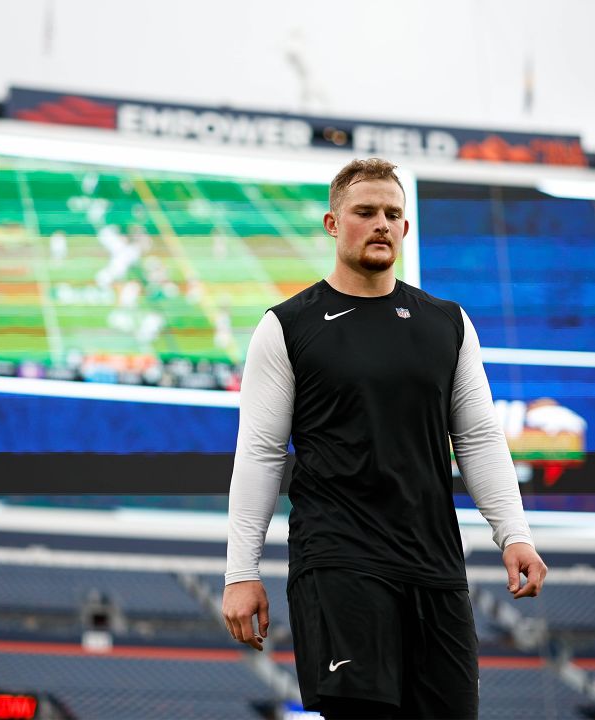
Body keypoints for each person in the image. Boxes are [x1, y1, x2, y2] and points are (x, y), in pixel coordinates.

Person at [222, 158, 547, 719]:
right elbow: (260, 454)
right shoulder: (287, 326)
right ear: (331, 223)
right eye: (364, 212)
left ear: (405, 227)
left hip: (436, 568)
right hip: (341, 563)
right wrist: (241, 572)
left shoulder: (447, 323)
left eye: (392, 214)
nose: (380, 223)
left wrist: (513, 534)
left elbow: (477, 439)